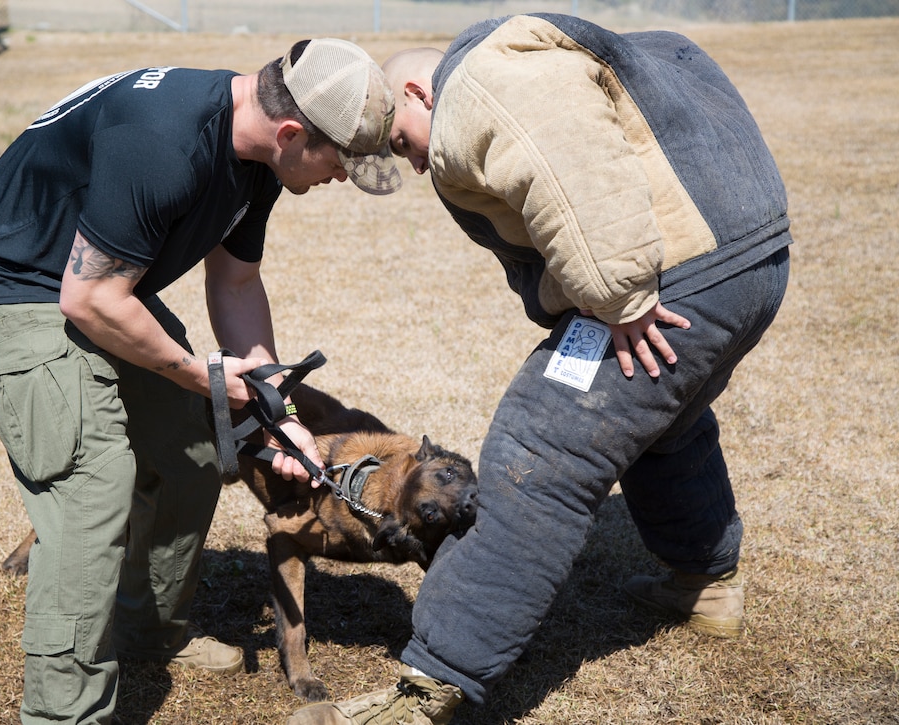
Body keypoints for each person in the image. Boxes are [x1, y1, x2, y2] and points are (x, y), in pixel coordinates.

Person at [289, 13, 791, 724]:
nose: (413, 164)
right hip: (749, 258)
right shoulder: (528, 52)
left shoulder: (480, 81)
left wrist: (621, 292)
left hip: (670, 276)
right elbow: (675, 61)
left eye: (403, 143)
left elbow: (567, 147)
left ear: (417, 93)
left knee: (539, 448)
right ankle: (703, 584)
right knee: (659, 415)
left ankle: (431, 684)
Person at [0, 38, 399, 724]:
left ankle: (147, 628)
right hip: (17, 282)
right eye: (339, 159)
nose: (340, 176)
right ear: (293, 131)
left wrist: (278, 410)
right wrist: (199, 372)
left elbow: (235, 278)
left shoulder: (258, 157)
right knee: (92, 486)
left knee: (190, 448)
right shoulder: (167, 145)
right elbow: (89, 300)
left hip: (96, 278)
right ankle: (63, 712)